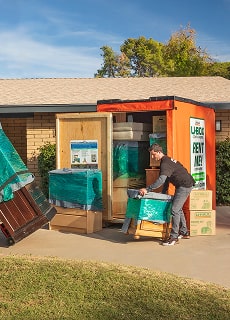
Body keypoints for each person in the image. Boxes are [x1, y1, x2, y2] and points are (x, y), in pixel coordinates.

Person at [139, 143, 195, 246]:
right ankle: (184, 232)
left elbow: (161, 180)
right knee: (178, 208)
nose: (152, 157)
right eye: (151, 155)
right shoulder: (166, 161)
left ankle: (174, 237)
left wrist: (148, 189)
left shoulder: (165, 163)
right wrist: (163, 193)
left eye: (153, 154)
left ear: (159, 152)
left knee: (175, 210)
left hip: (185, 185)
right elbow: (167, 179)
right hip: (183, 184)